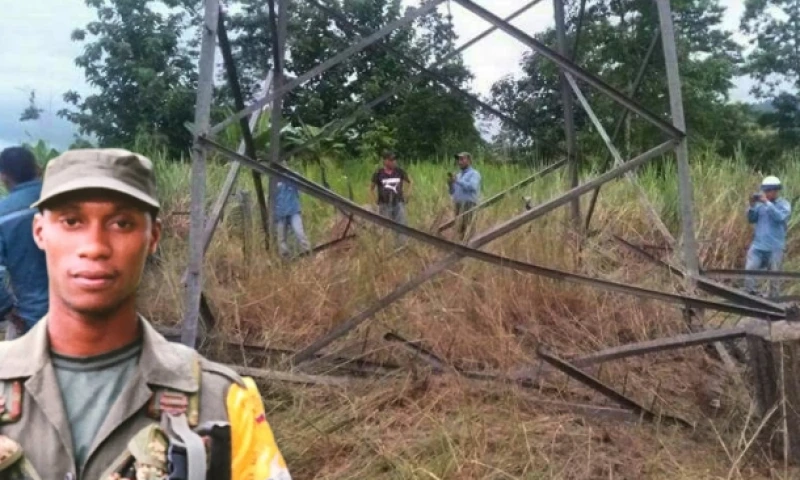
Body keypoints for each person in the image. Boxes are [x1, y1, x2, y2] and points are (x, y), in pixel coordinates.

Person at [0, 149, 292, 479]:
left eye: (121, 223)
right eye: (72, 221)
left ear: (152, 237)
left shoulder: (221, 400)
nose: (95, 246)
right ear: (40, 232)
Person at [0, 147, 48, 339]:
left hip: (29, 317)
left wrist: (7, 310)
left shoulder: (3, 213)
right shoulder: (64, 200)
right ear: (37, 168)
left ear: (3, 176)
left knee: (13, 367)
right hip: (80, 310)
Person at [745, 175, 791, 298]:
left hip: (775, 247)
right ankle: (751, 296)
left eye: (768, 191)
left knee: (774, 277)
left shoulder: (784, 205)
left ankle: (774, 303)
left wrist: (767, 204)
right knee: (750, 270)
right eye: (765, 191)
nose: (766, 193)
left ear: (775, 191)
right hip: (758, 245)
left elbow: (780, 217)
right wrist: (751, 206)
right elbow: (751, 219)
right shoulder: (759, 206)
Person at [371, 151, 412, 246]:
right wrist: (375, 202)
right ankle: (387, 246)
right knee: (385, 226)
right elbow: (371, 189)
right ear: (385, 161)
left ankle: (402, 246)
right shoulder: (378, 173)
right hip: (384, 204)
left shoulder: (399, 171)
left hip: (398, 202)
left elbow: (410, 182)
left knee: (401, 224)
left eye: (394, 159)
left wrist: (408, 194)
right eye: (391, 160)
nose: (394, 162)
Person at [274, 176, 312, 259]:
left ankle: (308, 255)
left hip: (293, 211)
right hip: (280, 213)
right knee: (281, 239)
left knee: (299, 233)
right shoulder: (274, 180)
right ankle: (286, 259)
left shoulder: (292, 177)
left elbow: (301, 187)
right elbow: (272, 199)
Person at [448, 152, 481, 240]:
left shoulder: (474, 173)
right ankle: (460, 250)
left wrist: (458, 181)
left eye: (462, 159)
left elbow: (472, 187)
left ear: (469, 161)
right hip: (458, 205)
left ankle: (470, 249)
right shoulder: (458, 175)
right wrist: (450, 184)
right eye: (459, 159)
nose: (460, 162)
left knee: (468, 230)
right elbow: (452, 192)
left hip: (468, 205)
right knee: (459, 230)